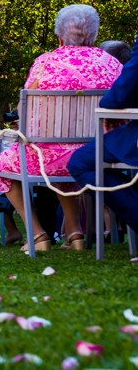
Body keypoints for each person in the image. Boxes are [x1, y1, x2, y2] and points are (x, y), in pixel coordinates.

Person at [0, 4, 122, 252]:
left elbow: (24, 111)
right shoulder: (111, 64)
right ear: (93, 35)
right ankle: (74, 234)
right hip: (99, 154)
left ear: (60, 36)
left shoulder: (45, 63)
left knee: (2, 163)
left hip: (49, 158)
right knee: (65, 154)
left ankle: (38, 234)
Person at [68, 38, 138, 235]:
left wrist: (108, 106)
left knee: (81, 162)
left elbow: (131, 80)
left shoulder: (44, 63)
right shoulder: (109, 64)